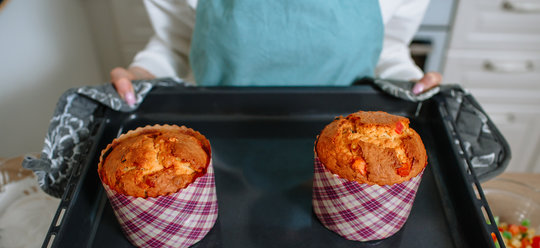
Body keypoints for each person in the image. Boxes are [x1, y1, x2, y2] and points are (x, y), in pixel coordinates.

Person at [111, 0, 443, 106]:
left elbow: (388, 47)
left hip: (354, 148)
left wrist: (414, 82)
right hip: (221, 152)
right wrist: (141, 75)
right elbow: (175, 44)